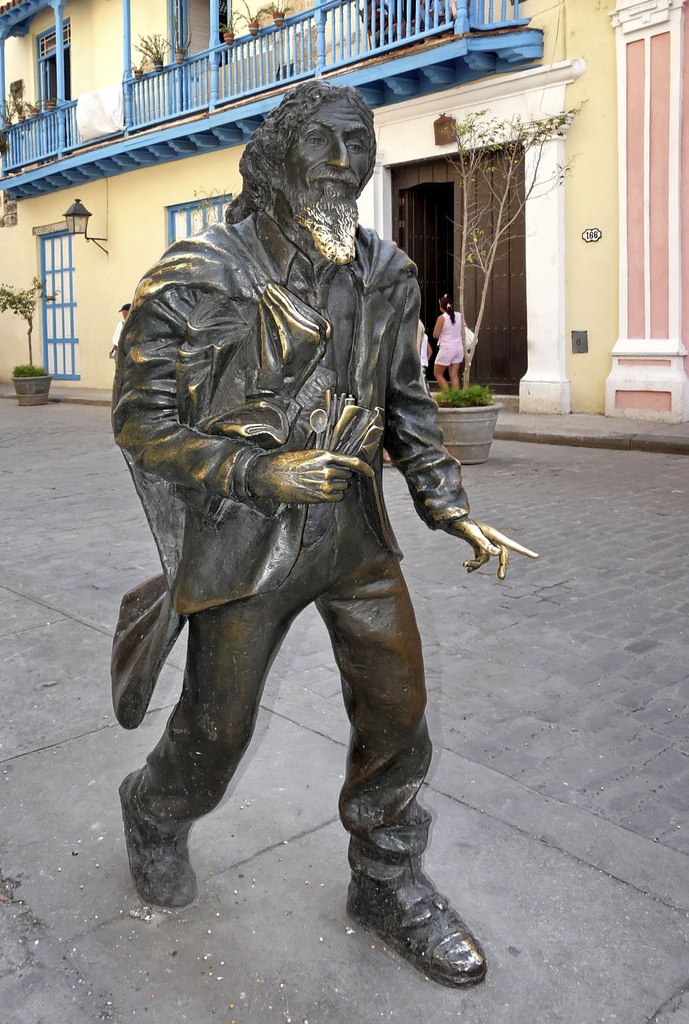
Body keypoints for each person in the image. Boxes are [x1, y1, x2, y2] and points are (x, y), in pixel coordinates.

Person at [111, 81, 536, 989]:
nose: (345, 164)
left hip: (354, 537)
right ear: (275, 159)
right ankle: (154, 809)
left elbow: (407, 404)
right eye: (324, 144)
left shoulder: (386, 271)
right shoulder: (200, 273)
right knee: (213, 740)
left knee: (398, 709)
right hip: (247, 542)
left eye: (360, 144)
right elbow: (140, 421)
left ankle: (388, 881)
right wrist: (257, 471)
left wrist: (446, 499)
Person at [432, 293, 463, 392]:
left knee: (438, 374)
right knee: (454, 375)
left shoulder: (442, 318)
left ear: (441, 307)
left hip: (447, 348)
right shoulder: (459, 315)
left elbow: (435, 335)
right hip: (459, 348)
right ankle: (456, 399)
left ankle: (448, 396)